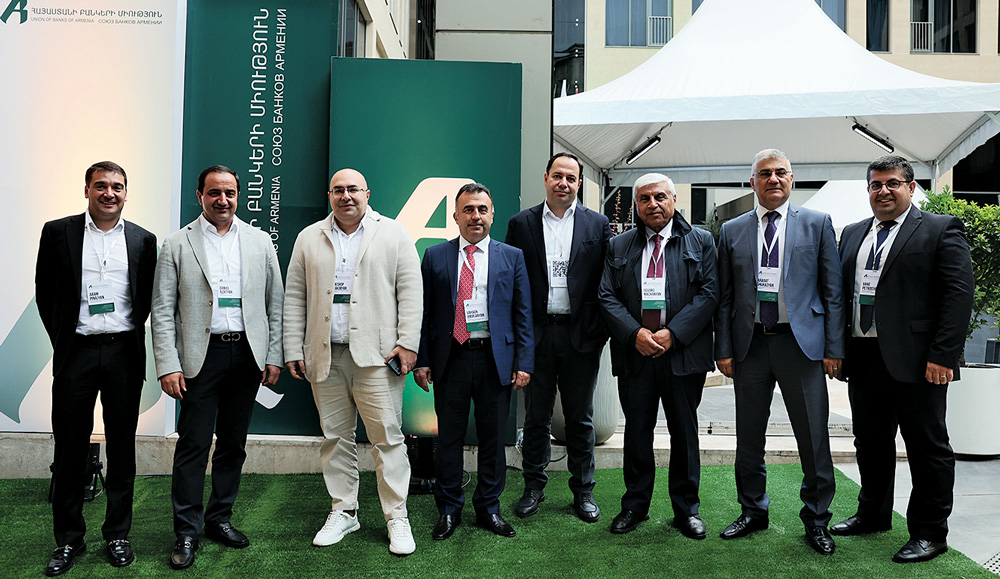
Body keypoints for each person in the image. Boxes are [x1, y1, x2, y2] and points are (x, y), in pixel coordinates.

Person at [831, 155, 974, 563]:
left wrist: (943, 355)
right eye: (876, 184)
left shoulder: (939, 228)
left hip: (919, 361)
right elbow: (842, 295)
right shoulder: (853, 233)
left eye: (892, 183)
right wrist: (836, 349)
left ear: (911, 187)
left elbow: (958, 296)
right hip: (863, 356)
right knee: (870, 443)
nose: (883, 191)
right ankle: (873, 514)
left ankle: (930, 533)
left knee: (927, 448)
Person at [283, 168, 422, 555]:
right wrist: (293, 348)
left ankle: (397, 516)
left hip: (377, 357)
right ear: (329, 195)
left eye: (353, 189)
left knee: (388, 440)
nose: (346, 196)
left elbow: (411, 292)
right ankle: (344, 511)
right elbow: (295, 296)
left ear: (367, 194)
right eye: (338, 190)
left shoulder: (393, 233)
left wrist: (408, 344)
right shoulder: (309, 237)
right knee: (335, 438)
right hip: (325, 354)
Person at [151, 165, 284, 570]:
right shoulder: (177, 243)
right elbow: (162, 310)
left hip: (246, 355)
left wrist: (273, 355)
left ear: (238, 196)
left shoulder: (259, 241)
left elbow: (275, 302)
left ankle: (219, 519)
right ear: (200, 196)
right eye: (214, 193)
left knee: (233, 443)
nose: (222, 200)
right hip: (199, 358)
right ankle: (186, 531)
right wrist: (168, 364)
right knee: (192, 445)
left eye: (229, 193)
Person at [715, 149, 844, 555]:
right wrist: (723, 348)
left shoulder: (817, 223)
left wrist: (834, 347)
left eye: (780, 173)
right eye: (765, 173)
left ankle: (817, 520)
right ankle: (753, 511)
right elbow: (724, 296)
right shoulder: (732, 229)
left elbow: (833, 291)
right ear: (752, 182)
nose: (773, 179)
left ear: (792, 179)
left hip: (800, 345)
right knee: (748, 437)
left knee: (813, 437)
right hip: (750, 344)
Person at [35, 161, 157, 576]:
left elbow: (146, 298)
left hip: (124, 353)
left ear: (126, 193)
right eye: (100, 185)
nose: (109, 193)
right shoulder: (58, 232)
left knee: (122, 448)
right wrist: (65, 341)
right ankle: (68, 540)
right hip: (77, 354)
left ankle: (118, 534)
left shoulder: (143, 239)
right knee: (70, 449)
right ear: (86, 189)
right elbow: (45, 293)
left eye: (117, 187)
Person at [598, 173, 717, 538]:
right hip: (635, 354)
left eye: (660, 197)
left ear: (674, 200)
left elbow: (709, 293)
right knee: (636, 432)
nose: (653, 204)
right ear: (636, 205)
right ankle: (635, 506)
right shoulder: (619, 245)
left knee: (684, 433)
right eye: (645, 198)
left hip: (682, 354)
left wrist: (673, 333)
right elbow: (606, 295)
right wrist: (634, 334)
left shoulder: (701, 241)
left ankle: (687, 509)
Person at [414, 182, 534, 540]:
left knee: (493, 439)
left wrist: (524, 362)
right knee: (449, 439)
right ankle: (449, 509)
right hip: (450, 359)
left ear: (492, 214)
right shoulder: (435, 256)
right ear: (455, 216)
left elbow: (523, 314)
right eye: (468, 209)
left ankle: (488, 508)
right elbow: (424, 314)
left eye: (482, 209)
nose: (475, 216)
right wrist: (422, 360)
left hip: (495, 360)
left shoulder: (512, 256)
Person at [505, 152, 612, 523]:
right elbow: (511, 283)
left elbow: (607, 281)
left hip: (581, 337)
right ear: (546, 178)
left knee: (580, 418)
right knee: (536, 417)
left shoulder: (597, 224)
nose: (563, 183)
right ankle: (534, 487)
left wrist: (599, 331)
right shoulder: (521, 223)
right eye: (557, 176)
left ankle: (583, 491)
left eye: (571, 178)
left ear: (579, 183)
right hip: (536, 336)